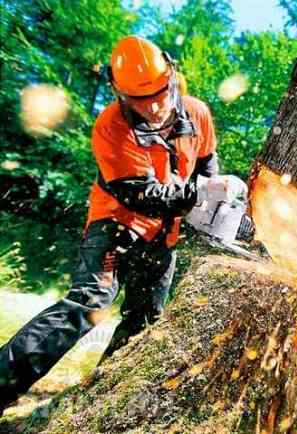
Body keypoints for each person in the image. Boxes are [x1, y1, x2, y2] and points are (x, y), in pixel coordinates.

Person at [0, 35, 247, 414]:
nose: (156, 106)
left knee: (143, 322)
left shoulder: (197, 114)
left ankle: (93, 406)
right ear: (121, 93)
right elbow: (141, 195)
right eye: (142, 100)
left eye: (162, 93)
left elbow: (207, 164)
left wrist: (213, 197)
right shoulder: (111, 127)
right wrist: (200, 191)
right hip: (115, 228)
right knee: (88, 303)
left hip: (165, 236)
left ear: (171, 76)